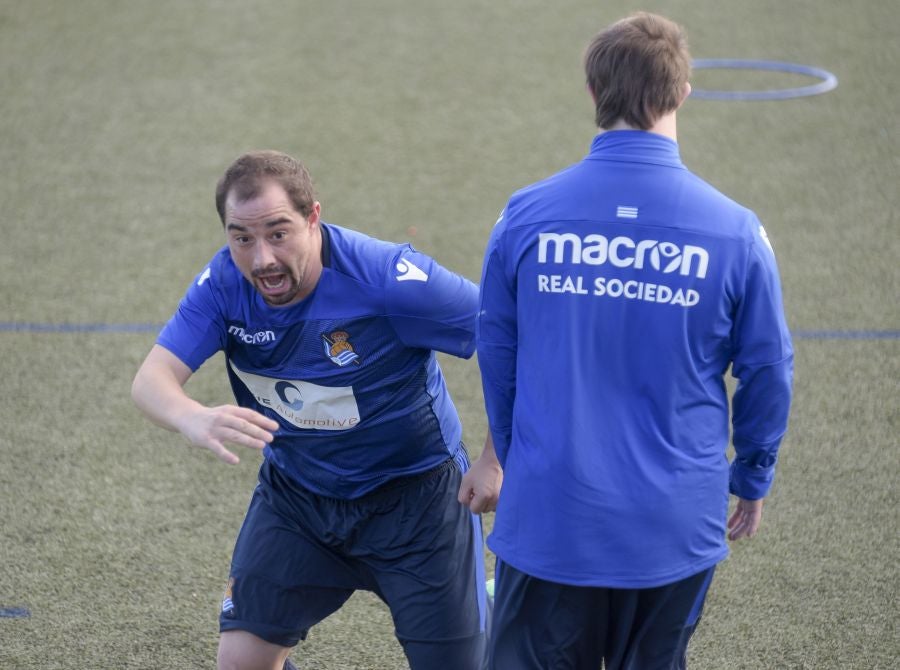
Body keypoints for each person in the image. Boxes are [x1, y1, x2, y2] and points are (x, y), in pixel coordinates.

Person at [476, 12, 793, 670]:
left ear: (594, 93)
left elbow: (498, 359)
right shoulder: (736, 232)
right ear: (681, 93)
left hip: (551, 517)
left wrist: (521, 460)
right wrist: (753, 477)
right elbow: (768, 371)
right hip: (672, 529)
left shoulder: (525, 214)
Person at [131, 150, 501, 670]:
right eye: (242, 238)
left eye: (278, 233)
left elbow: (507, 338)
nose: (261, 259)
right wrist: (190, 415)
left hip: (416, 506)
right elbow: (151, 381)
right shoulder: (222, 286)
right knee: (240, 663)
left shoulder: (386, 276)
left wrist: (494, 458)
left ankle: (486, 596)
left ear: (313, 218)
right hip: (298, 502)